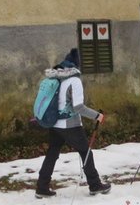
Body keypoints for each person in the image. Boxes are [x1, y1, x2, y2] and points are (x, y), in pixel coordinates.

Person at [36, 48, 111, 198]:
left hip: (55, 124)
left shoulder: (58, 79)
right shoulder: (74, 81)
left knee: (52, 153)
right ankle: (95, 185)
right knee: (85, 152)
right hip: (70, 125)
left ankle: (42, 187)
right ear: (76, 66)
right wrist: (97, 116)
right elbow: (78, 107)